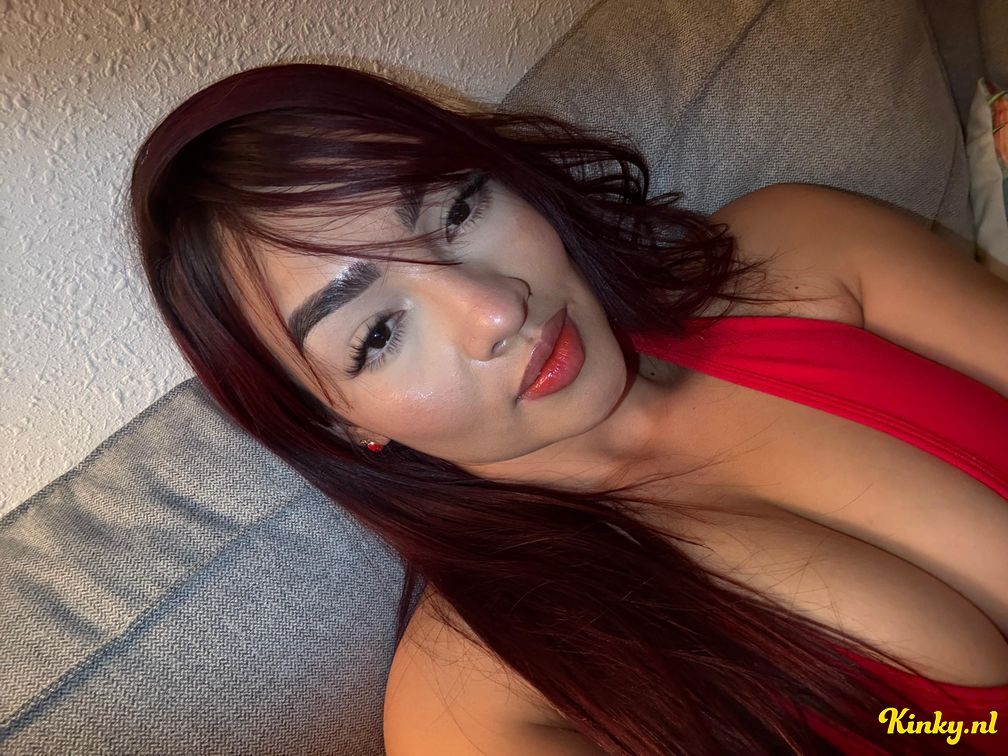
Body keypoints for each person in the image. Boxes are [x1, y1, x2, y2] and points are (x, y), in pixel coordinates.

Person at [128, 63, 1008, 755]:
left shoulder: (800, 254)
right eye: (379, 333)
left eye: (458, 209)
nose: (495, 309)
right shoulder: (475, 698)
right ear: (337, 421)